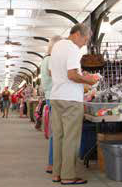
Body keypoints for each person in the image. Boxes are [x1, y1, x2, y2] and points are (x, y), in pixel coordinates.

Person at [50, 24, 98, 185]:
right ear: (77, 34)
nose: (84, 43)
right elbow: (71, 75)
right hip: (70, 98)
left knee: (58, 136)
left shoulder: (57, 46)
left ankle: (57, 173)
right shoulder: (72, 49)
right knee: (71, 138)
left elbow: (54, 72)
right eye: (85, 39)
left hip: (56, 96)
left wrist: (79, 75)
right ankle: (69, 176)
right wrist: (88, 79)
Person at [40, 35, 62, 174]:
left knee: (56, 132)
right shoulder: (50, 60)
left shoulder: (46, 60)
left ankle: (53, 163)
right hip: (55, 97)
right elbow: (56, 75)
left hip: (51, 97)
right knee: (57, 132)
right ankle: (53, 163)